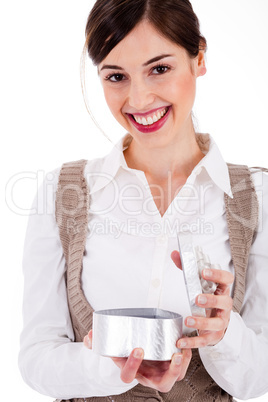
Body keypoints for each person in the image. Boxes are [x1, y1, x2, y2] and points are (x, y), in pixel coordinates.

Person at [19, 0, 268, 401]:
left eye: (159, 68)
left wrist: (223, 334)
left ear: (199, 58)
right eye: (116, 76)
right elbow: (36, 358)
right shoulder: (61, 193)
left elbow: (260, 378)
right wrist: (109, 365)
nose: (138, 99)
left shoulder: (257, 197)